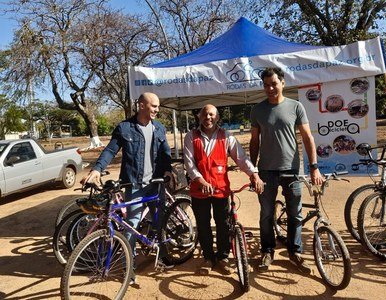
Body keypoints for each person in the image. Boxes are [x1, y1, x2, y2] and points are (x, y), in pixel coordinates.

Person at [81, 92, 173, 277]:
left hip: (156, 184)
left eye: (157, 106)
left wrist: (168, 169)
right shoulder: (125, 128)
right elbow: (110, 150)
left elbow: (165, 152)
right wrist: (97, 169)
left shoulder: (159, 128)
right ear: (141, 105)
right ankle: (129, 267)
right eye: (154, 106)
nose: (157, 109)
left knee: (160, 221)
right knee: (131, 226)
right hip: (134, 185)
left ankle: (163, 255)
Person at [250, 67, 324, 273]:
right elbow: (254, 141)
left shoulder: (296, 106)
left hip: (292, 170)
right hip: (266, 171)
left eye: (273, 83)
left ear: (283, 83)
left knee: (295, 214)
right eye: (266, 85)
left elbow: (308, 138)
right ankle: (267, 250)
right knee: (266, 214)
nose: (270, 88)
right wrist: (253, 170)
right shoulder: (257, 110)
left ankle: (295, 251)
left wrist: (314, 167)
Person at [184, 104, 264, 275]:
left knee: (223, 225)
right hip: (200, 191)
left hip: (221, 190)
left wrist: (254, 175)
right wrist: (201, 181)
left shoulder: (226, 136)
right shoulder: (191, 136)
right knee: (203, 225)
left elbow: (241, 158)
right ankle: (208, 258)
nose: (208, 118)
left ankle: (222, 257)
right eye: (204, 114)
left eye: (212, 115)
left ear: (218, 117)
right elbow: (189, 164)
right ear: (199, 117)